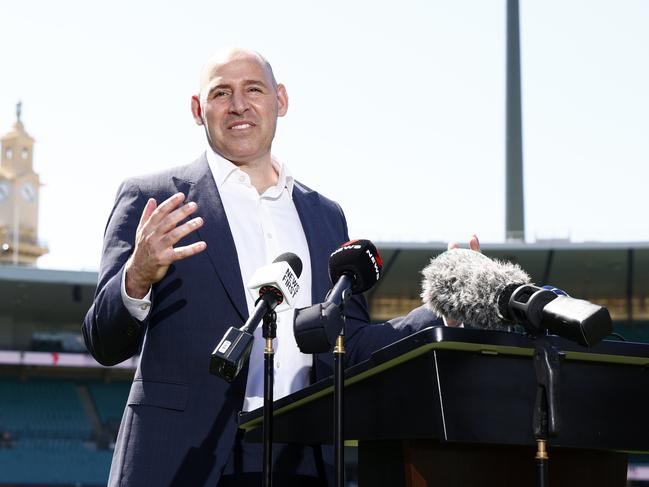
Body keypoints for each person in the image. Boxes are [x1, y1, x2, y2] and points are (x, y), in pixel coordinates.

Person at [82, 48, 466, 487]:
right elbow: (103, 342)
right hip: (179, 459)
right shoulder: (152, 197)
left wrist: (445, 309)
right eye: (221, 92)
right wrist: (137, 274)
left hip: (301, 457)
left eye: (253, 90)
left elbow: (352, 342)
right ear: (197, 109)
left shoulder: (326, 215)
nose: (239, 105)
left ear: (280, 100)